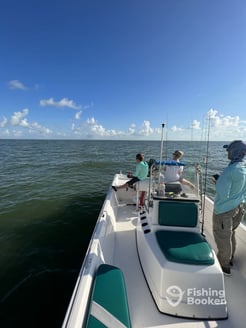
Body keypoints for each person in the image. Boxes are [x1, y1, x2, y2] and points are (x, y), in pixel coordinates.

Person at [213, 140, 246, 275]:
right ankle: (230, 258)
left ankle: (224, 266)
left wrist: (218, 181)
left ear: (235, 152)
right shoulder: (243, 168)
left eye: (229, 150)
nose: (227, 152)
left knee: (222, 237)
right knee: (230, 234)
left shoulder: (230, 170)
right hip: (239, 208)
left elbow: (223, 194)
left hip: (224, 211)